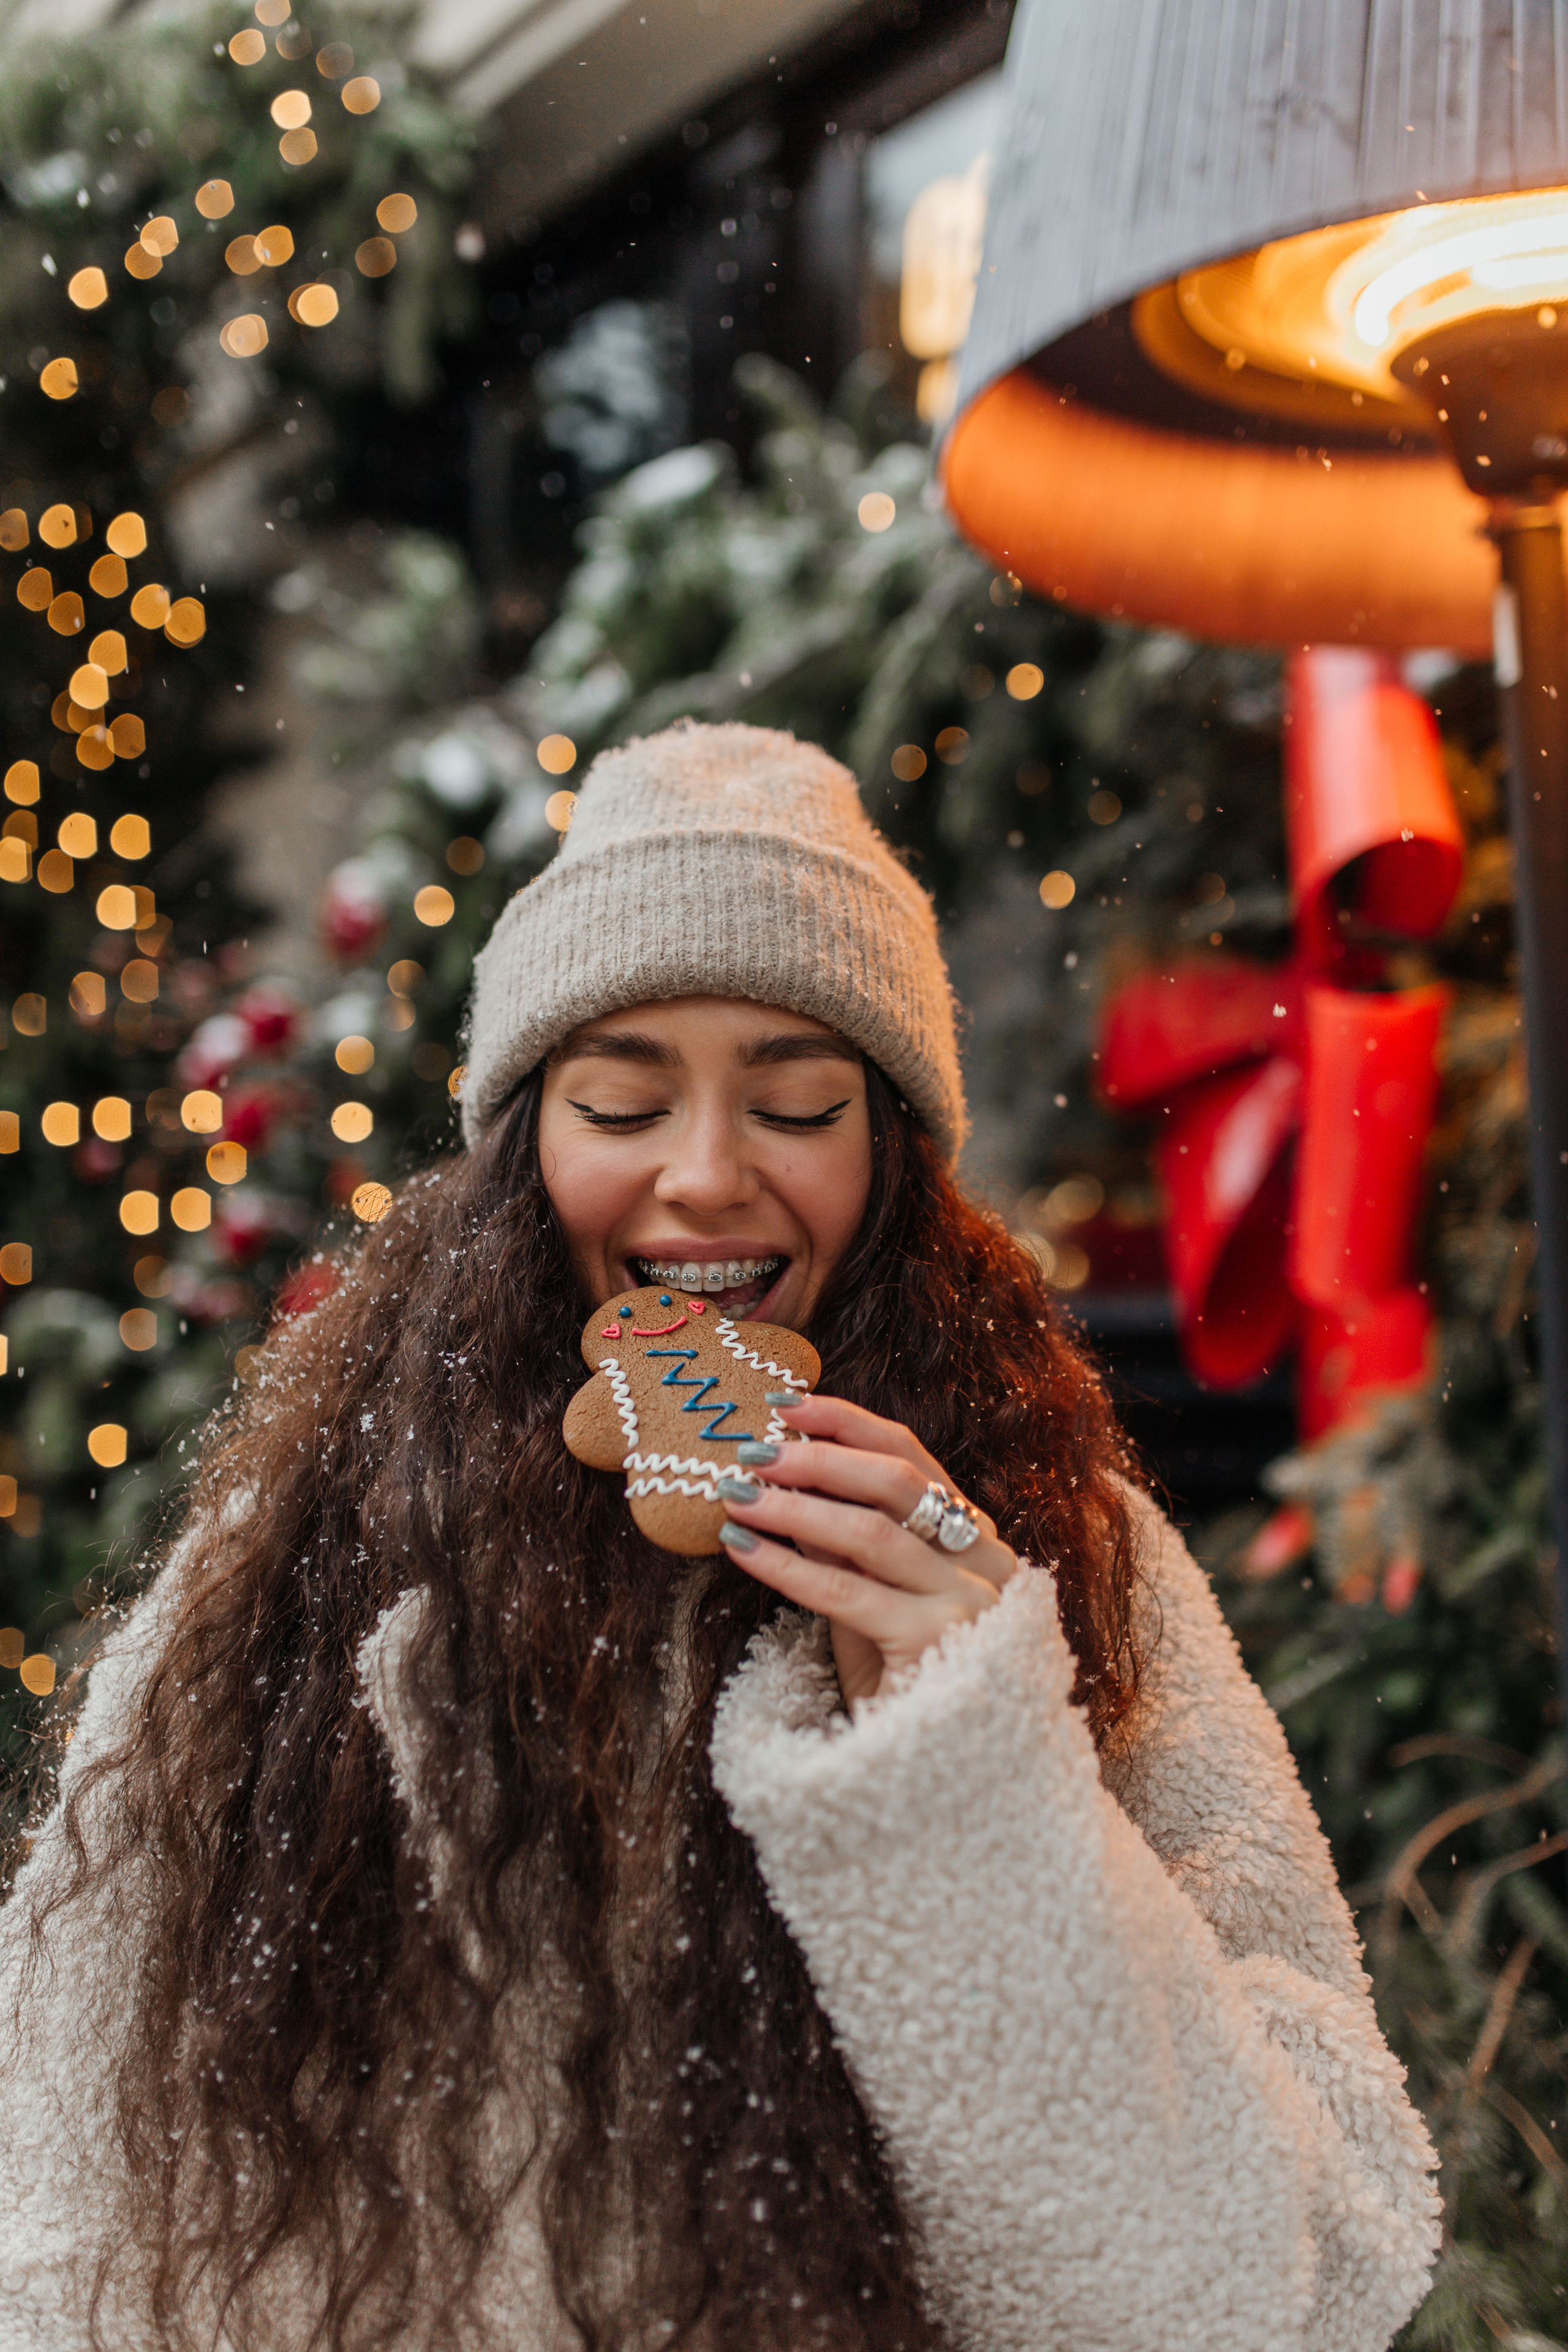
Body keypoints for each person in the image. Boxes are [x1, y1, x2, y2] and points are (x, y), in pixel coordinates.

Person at [0, 722, 1437, 2352]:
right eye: (619, 1100)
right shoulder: (298, 1567)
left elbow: (1275, 2294)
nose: (705, 1179)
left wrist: (967, 1761)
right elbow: (61, 2210)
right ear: (521, 1150)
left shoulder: (1058, 1549)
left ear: (891, 1156)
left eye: (800, 1101)